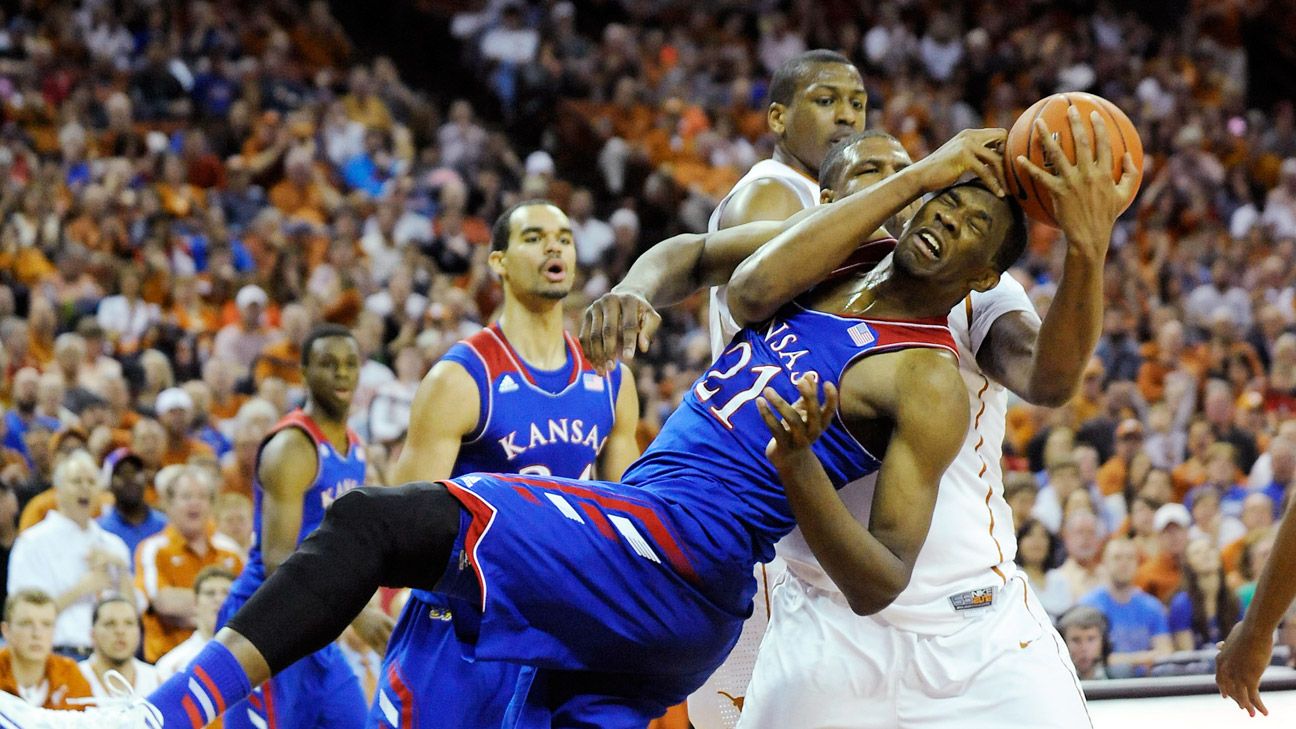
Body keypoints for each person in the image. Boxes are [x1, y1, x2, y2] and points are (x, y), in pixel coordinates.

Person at [38, 127, 1029, 729]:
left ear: (989, 270)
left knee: (379, 526)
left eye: (981, 221)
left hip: (672, 558)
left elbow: (880, 579)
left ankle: (162, 710)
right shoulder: (830, 270)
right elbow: (733, 272)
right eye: (951, 197)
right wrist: (643, 287)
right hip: (648, 577)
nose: (953, 216)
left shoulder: (928, 376)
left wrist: (801, 465)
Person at [585, 106, 1134, 727]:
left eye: (904, 170)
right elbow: (696, 258)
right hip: (825, 624)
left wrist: (1087, 249)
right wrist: (632, 288)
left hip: (973, 628)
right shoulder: (816, 258)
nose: (893, 181)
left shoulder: (971, 291)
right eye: (873, 171)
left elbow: (1049, 377)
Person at [368, 200, 639, 728]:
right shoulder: (461, 379)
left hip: (554, 632)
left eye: (563, 236)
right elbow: (398, 530)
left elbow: (626, 521)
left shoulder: (611, 380)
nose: (554, 245)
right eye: (534, 237)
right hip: (461, 631)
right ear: (498, 262)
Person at [214, 324, 388, 729]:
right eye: (328, 364)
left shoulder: (355, 447)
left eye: (350, 364)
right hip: (265, 620)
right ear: (305, 372)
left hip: (317, 622)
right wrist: (356, 616)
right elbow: (280, 562)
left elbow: (339, 548)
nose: (342, 373)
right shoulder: (292, 448)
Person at [7, 450, 133, 657]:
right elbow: (23, 614)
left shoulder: (113, 545)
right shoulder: (32, 542)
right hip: (57, 653)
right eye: (76, 481)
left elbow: (132, 615)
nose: (85, 487)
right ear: (57, 491)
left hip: (110, 657)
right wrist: (82, 589)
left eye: (92, 482)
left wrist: (122, 571)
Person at [135, 466, 243, 663]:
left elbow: (245, 605)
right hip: (166, 662)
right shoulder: (154, 549)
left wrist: (182, 612)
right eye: (186, 497)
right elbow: (164, 602)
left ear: (211, 504)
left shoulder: (230, 551)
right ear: (168, 504)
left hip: (224, 660)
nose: (195, 503)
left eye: (202, 497)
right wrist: (220, 605)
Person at [1078, 538, 1173, 678]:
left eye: (1130, 558)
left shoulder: (1152, 606)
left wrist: (1120, 660)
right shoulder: (1089, 606)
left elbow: (1166, 653)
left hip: (1147, 686)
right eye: (1117, 558)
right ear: (1104, 563)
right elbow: (1090, 658)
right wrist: (1142, 658)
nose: (1124, 563)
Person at [0, 590, 91, 710]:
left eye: (46, 624)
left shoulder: (69, 673)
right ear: (6, 630)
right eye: (26, 624)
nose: (37, 634)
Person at [155, 567, 235, 682]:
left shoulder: (254, 660)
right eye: (210, 593)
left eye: (226, 593)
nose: (219, 599)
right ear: (195, 604)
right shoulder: (171, 665)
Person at [77, 596, 160, 697]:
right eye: (110, 624)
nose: (120, 631)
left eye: (129, 623)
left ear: (139, 632)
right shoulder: (74, 678)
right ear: (92, 634)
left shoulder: (157, 681)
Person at [1168, 538, 1240, 651]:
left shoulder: (1233, 599)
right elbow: (1187, 655)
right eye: (1197, 552)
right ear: (1188, 563)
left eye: (1210, 548)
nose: (1206, 554)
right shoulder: (1182, 603)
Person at [96, 448, 167, 558]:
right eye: (122, 474)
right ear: (109, 484)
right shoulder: (100, 530)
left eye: (135, 472)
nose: (130, 479)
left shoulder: (165, 525)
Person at [1058, 605, 1110, 680]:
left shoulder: (1121, 678)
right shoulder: (1054, 681)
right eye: (1076, 640)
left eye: (1091, 639)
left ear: (1103, 642)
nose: (1084, 648)